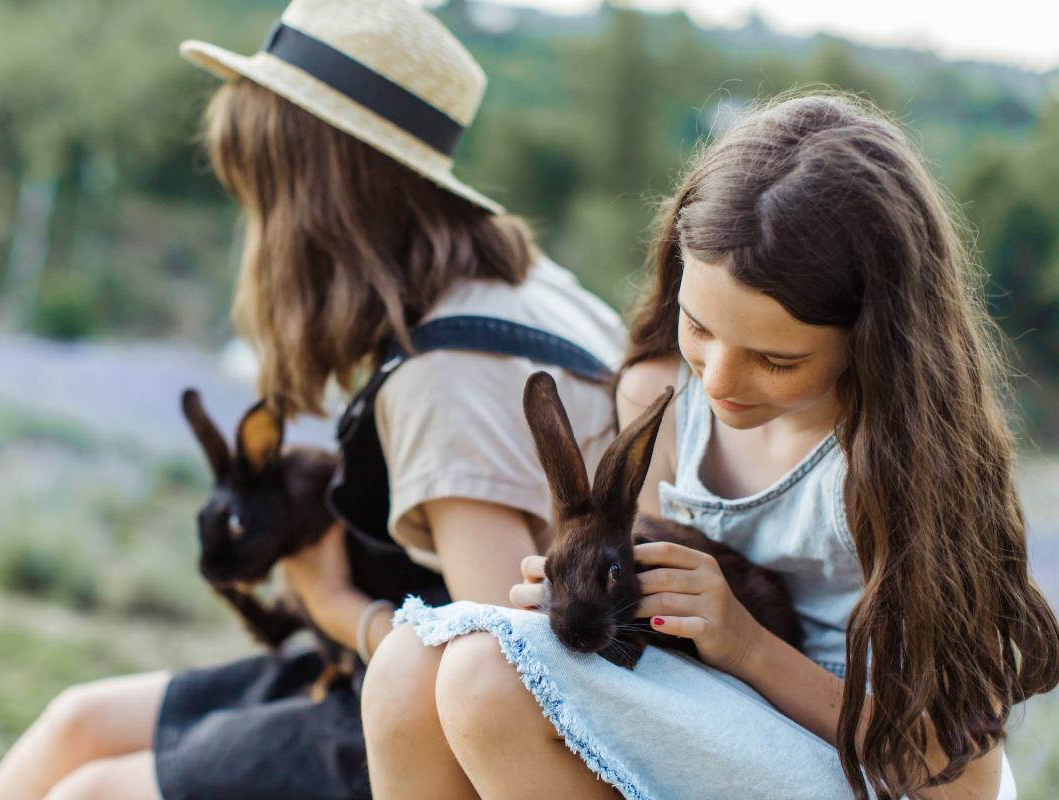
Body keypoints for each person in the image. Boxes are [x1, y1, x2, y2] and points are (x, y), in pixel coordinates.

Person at [0, 1, 625, 798]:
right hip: (377, 668)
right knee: (77, 721)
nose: (254, 227)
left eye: (261, 194)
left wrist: (331, 599)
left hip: (419, 735)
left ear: (318, 205)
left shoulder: (444, 375)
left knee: (94, 792)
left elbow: (508, 679)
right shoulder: (530, 285)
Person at [362, 91, 1059, 800]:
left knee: (489, 679)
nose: (720, 380)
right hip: (725, 720)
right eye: (698, 327)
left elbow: (959, 785)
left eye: (776, 360)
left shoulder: (905, 467)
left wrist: (746, 646)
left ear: (872, 339)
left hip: (874, 771)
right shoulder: (659, 399)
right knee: (407, 668)